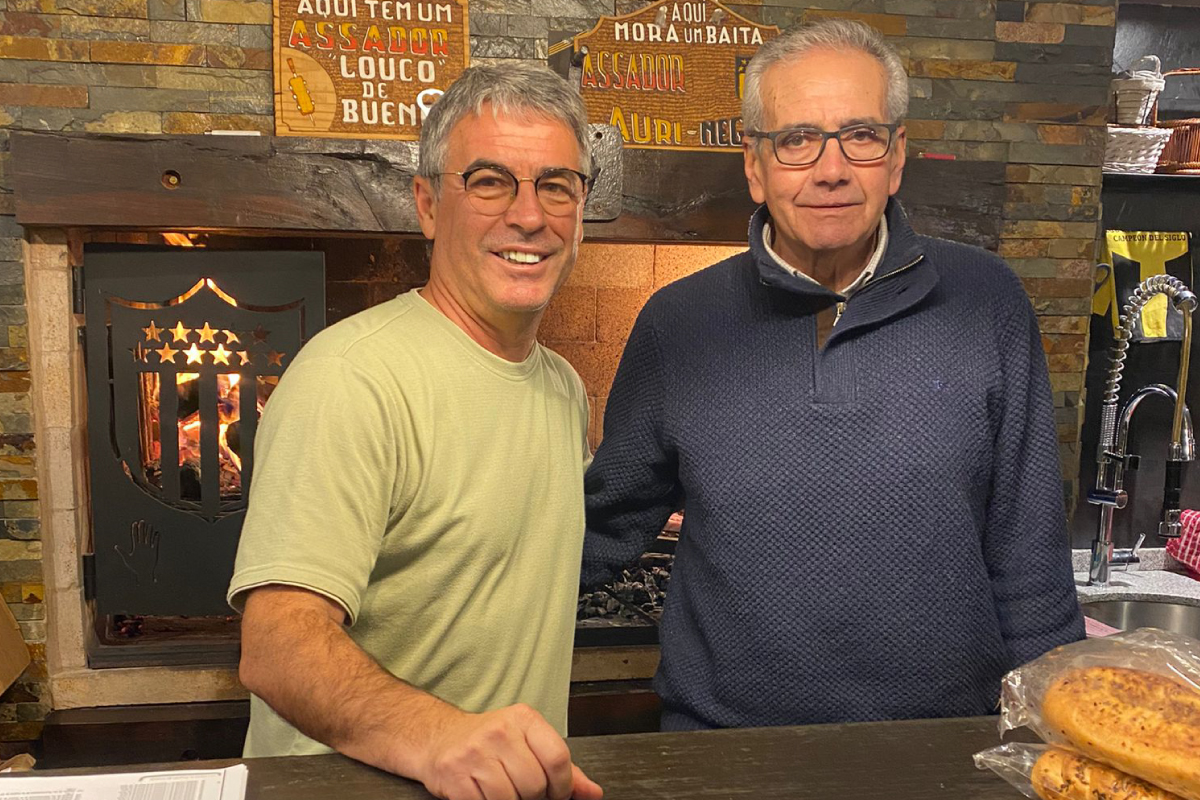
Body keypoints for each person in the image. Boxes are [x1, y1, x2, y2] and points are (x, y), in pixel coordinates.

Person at [582, 19, 1085, 731]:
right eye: (797, 140)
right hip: (725, 754)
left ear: (897, 156)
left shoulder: (988, 303)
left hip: (943, 749)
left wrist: (1055, 738)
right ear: (754, 165)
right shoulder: (678, 324)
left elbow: (1030, 557)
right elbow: (602, 527)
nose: (831, 168)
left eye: (861, 135)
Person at [228, 63, 604, 800]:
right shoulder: (352, 378)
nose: (530, 216)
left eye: (557, 185)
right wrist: (437, 736)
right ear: (429, 204)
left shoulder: (562, 387)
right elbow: (276, 646)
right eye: (491, 181)